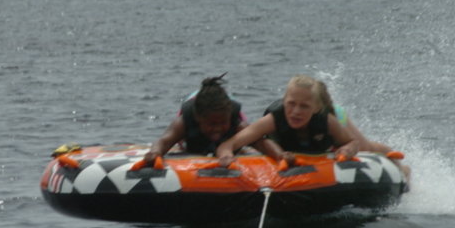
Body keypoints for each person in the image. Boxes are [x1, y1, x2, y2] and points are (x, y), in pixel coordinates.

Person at [216, 75, 359, 167]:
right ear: (284, 101)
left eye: (304, 106)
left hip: (335, 124)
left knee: (367, 147)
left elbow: (352, 142)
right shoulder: (274, 119)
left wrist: (348, 149)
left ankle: (380, 149)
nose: (296, 111)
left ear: (316, 108)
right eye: (291, 103)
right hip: (282, 153)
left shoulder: (327, 121)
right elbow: (228, 145)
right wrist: (226, 154)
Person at [144, 74, 277, 163]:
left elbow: (260, 142)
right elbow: (164, 141)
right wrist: (155, 153)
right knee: (189, 146)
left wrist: (280, 156)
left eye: (222, 123)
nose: (217, 128)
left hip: (225, 108)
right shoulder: (184, 122)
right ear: (198, 119)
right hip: (196, 108)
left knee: (243, 143)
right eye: (212, 124)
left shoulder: (237, 124)